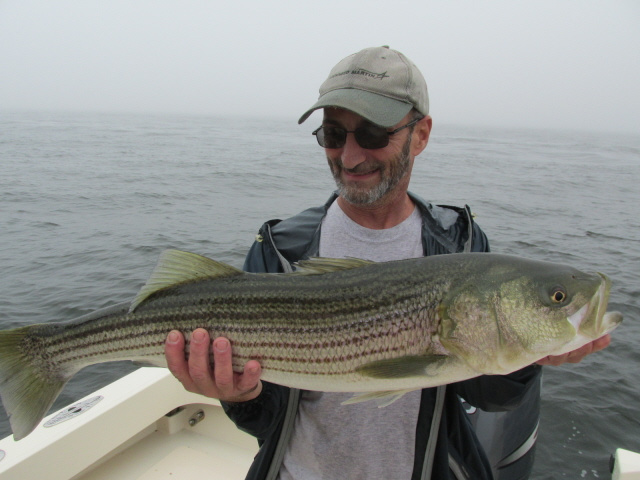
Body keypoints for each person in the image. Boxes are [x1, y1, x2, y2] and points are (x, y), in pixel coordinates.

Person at [164, 46, 611, 480]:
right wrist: (239, 395)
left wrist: (532, 354)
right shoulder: (281, 250)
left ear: (421, 134)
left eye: (374, 135)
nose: (351, 156)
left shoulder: (462, 245)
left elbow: (488, 394)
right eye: (334, 135)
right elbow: (265, 422)